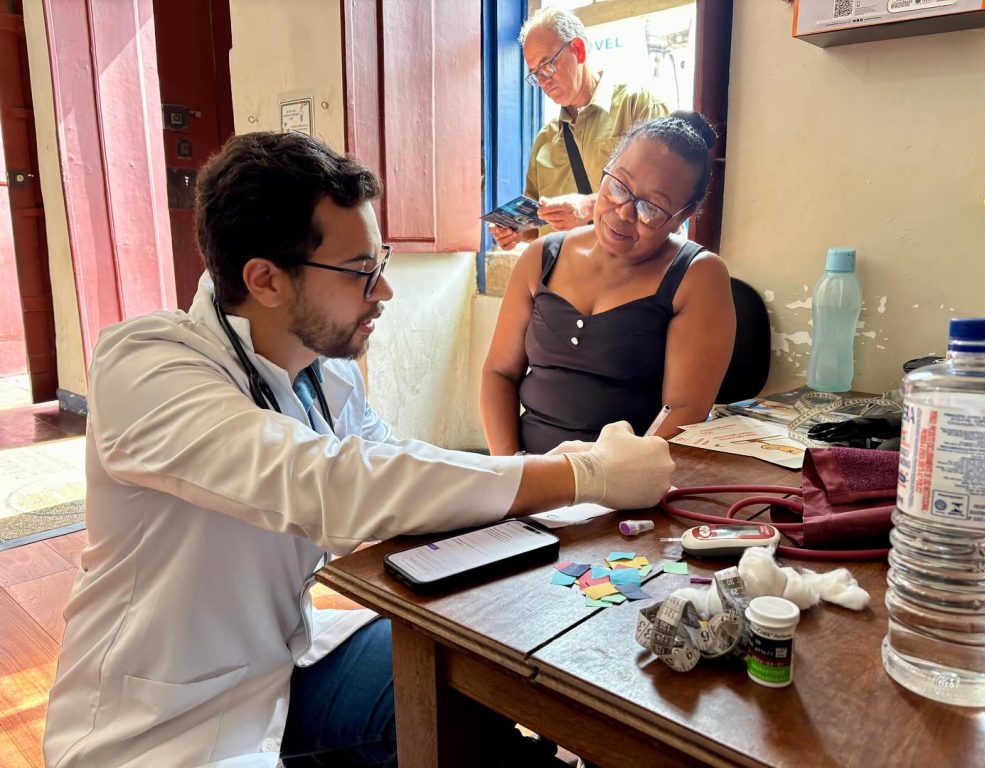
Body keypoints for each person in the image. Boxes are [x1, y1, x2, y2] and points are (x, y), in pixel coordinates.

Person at [42, 131, 674, 768]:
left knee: (469, 694)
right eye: (360, 271)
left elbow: (396, 470)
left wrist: (553, 481)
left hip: (282, 666)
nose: (385, 291)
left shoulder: (325, 370)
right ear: (265, 280)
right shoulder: (145, 367)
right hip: (159, 723)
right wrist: (582, 473)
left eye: (382, 262)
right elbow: (334, 484)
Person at [481, 111, 736, 456]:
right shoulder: (542, 256)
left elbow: (682, 410)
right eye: (618, 187)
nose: (624, 213)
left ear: (683, 216)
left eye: (651, 208)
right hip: (525, 467)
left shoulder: (697, 276)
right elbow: (499, 372)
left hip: (626, 476)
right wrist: (511, 469)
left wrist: (598, 479)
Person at [488, 7, 668, 251]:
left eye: (547, 65)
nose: (543, 82)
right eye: (535, 75)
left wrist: (590, 206)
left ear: (578, 50)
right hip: (567, 270)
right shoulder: (545, 140)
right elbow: (538, 223)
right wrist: (516, 231)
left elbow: (663, 194)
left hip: (632, 266)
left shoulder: (638, 107)